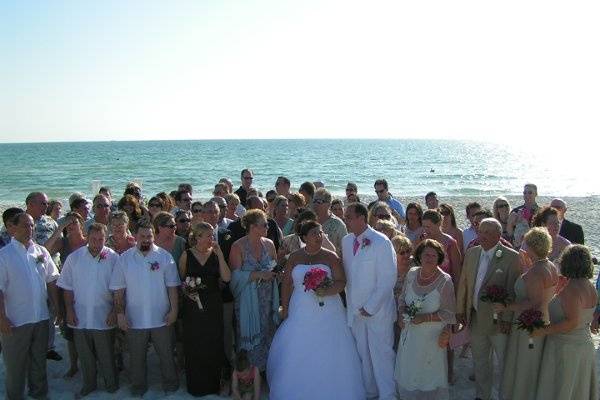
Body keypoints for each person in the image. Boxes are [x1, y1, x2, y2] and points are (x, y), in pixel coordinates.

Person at [267, 220, 366, 400]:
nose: (319, 236)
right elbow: (287, 284)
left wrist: (326, 290)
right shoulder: (295, 257)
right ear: (304, 237)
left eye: (320, 233)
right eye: (314, 233)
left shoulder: (330, 257)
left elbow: (341, 282)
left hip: (328, 310)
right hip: (300, 309)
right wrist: (285, 309)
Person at [109, 219, 180, 396]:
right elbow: (118, 290)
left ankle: (170, 386)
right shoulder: (124, 259)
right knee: (136, 358)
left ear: (154, 236)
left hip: (161, 318)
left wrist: (174, 311)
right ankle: (138, 387)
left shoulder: (164, 257)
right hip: (134, 318)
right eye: (142, 236)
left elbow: (172, 288)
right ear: (135, 236)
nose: (146, 239)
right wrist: (120, 314)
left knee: (166, 356)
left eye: (149, 236)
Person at [456, 218, 520, 400]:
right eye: (480, 231)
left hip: (499, 322)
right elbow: (465, 283)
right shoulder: (472, 253)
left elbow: (512, 291)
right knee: (480, 361)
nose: (482, 236)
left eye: (487, 232)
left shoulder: (511, 257)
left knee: (504, 363)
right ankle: (482, 395)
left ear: (498, 235)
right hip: (476, 318)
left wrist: (507, 319)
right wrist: (461, 309)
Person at [0, 212, 60, 400]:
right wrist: (1, 318)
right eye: (25, 225)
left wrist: (57, 306)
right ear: (12, 228)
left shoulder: (41, 251)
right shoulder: (4, 255)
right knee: (16, 365)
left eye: (32, 225)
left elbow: (51, 280)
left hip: (40, 317)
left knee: (38, 361)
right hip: (16, 320)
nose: (30, 229)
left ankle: (39, 394)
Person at [496, 227, 559, 400]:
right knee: (533, 364)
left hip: (528, 326)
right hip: (544, 321)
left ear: (532, 246)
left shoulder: (535, 272)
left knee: (524, 366)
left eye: (525, 243)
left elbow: (532, 302)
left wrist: (505, 307)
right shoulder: (550, 266)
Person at [57, 223, 119, 396]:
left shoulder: (114, 258)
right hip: (80, 315)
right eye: (93, 239)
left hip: (104, 315)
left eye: (101, 239)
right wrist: (69, 310)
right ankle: (89, 384)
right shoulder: (74, 258)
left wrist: (115, 310)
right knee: (85, 355)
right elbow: (67, 288)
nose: (97, 243)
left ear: (106, 238)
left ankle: (111, 384)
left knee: (106, 353)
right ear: (86, 236)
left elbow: (119, 288)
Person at [342, 203, 397, 400]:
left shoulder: (381, 242)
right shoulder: (346, 241)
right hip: (356, 311)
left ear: (362, 219)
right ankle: (370, 392)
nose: (346, 220)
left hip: (378, 311)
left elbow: (388, 278)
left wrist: (371, 306)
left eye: (349, 217)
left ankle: (388, 395)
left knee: (382, 354)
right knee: (363, 355)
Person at [533, 245, 598, 400]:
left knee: (562, 389)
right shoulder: (590, 287)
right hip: (584, 345)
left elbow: (572, 322)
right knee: (577, 390)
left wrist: (543, 330)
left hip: (566, 347)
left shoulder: (572, 289)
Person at [394, 239, 456, 399]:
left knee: (428, 376)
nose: (429, 258)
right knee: (409, 371)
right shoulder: (412, 273)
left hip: (432, 340)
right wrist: (401, 313)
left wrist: (425, 317)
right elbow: (402, 297)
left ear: (439, 258)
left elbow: (449, 313)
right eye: (425, 254)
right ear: (419, 256)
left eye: (433, 255)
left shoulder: (445, 281)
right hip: (409, 336)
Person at [178, 222, 232, 396]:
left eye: (212, 236)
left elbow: (227, 277)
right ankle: (196, 385)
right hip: (192, 306)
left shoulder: (216, 255)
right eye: (208, 236)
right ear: (198, 237)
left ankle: (214, 384)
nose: (212, 239)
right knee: (194, 342)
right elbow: (181, 278)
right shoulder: (187, 255)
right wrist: (188, 291)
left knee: (213, 341)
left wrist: (221, 256)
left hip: (213, 304)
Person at [229, 209, 280, 372]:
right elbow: (235, 278)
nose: (268, 227)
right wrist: (258, 274)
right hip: (247, 299)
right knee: (247, 332)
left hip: (267, 297)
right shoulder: (238, 246)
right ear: (252, 226)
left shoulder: (269, 244)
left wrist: (275, 273)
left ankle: (266, 369)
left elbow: (274, 266)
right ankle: (248, 372)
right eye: (264, 224)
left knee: (267, 329)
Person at [44, 211, 88, 377]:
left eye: (74, 223)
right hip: (68, 290)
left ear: (81, 225)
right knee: (70, 330)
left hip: (87, 289)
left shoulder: (88, 242)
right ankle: (74, 365)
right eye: (67, 224)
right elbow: (45, 251)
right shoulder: (63, 243)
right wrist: (60, 227)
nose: (70, 227)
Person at [313, 188, 347, 256]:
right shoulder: (309, 221)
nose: (315, 204)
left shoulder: (338, 224)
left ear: (328, 204)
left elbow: (345, 250)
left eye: (319, 202)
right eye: (314, 201)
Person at [507, 183, 539, 248]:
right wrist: (511, 224)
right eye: (525, 193)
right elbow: (509, 233)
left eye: (530, 192)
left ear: (536, 194)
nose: (527, 195)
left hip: (535, 246)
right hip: (518, 245)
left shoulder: (540, 212)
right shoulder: (516, 211)